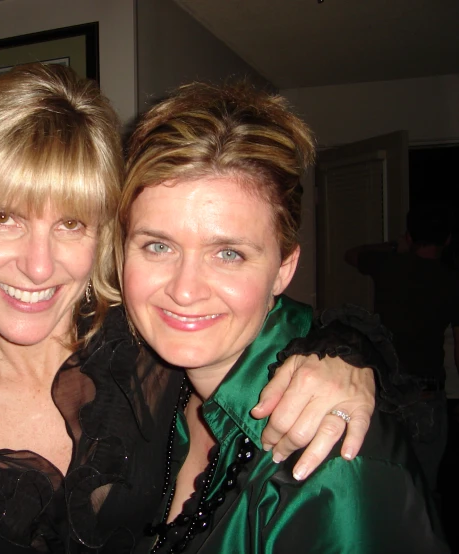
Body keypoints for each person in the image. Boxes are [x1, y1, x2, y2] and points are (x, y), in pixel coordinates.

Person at [0, 64, 381, 553]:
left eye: (71, 223)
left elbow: (253, 330)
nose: (39, 266)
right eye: (3, 217)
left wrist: (343, 358)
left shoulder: (143, 346)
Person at [122, 82, 446, 553]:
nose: (184, 290)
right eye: (158, 245)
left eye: (228, 253)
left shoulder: (330, 463)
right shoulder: (144, 386)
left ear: (284, 268)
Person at [345, 205, 459, 493]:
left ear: (409, 236)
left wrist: (394, 246)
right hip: (427, 396)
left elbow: (352, 254)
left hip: (387, 394)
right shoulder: (451, 281)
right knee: (424, 492)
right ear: (447, 239)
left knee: (384, 490)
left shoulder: (389, 266)